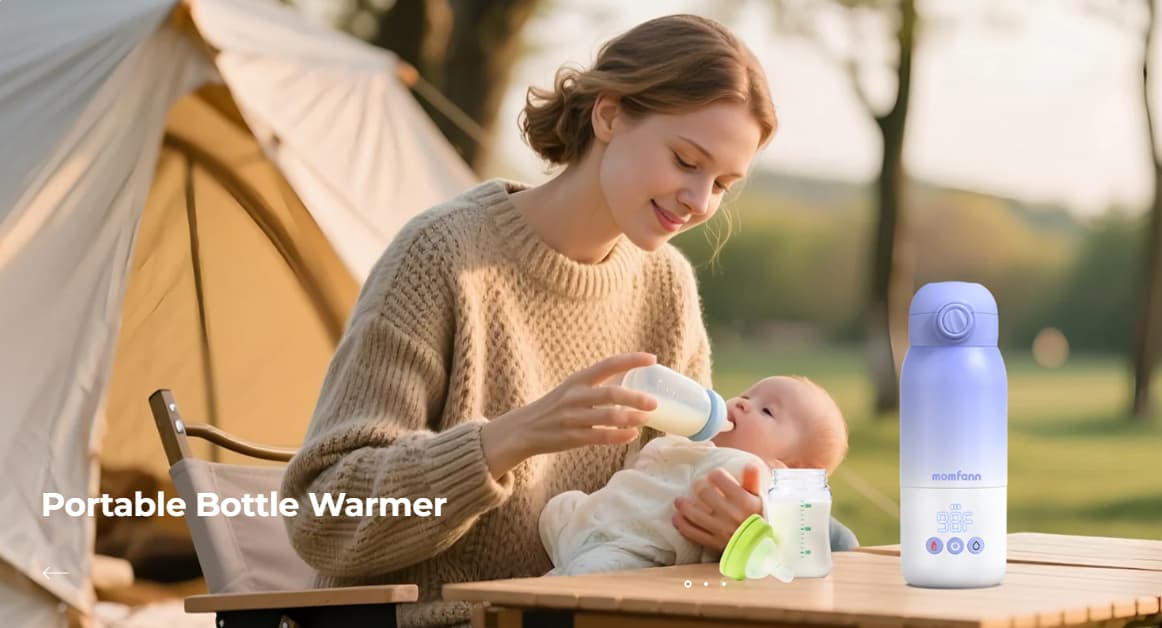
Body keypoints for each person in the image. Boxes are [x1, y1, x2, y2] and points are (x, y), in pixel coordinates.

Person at [280, 14, 853, 628]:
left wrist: (738, 530)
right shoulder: (440, 257)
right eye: (687, 160)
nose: (699, 201)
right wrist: (507, 440)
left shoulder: (667, 290)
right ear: (608, 115)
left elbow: (669, 531)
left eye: (722, 183)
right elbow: (323, 515)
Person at [540, 376, 848, 575]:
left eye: (767, 411)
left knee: (593, 571)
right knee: (560, 508)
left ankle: (563, 579)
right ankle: (568, 548)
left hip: (638, 551)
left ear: (789, 470)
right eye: (746, 394)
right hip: (598, 517)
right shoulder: (694, 444)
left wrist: (764, 514)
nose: (742, 403)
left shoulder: (750, 471)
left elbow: (777, 516)